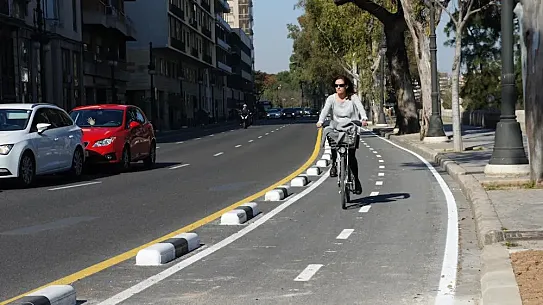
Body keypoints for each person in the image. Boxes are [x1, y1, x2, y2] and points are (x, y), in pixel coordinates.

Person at [316, 75, 368, 194]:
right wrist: (320, 121)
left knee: (351, 155)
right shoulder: (331, 98)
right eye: (336, 86)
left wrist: (363, 118)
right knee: (330, 135)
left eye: (341, 85)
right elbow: (325, 110)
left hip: (351, 127)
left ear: (346, 86)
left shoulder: (353, 98)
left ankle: (356, 179)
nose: (338, 88)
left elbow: (360, 108)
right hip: (337, 127)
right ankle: (334, 164)